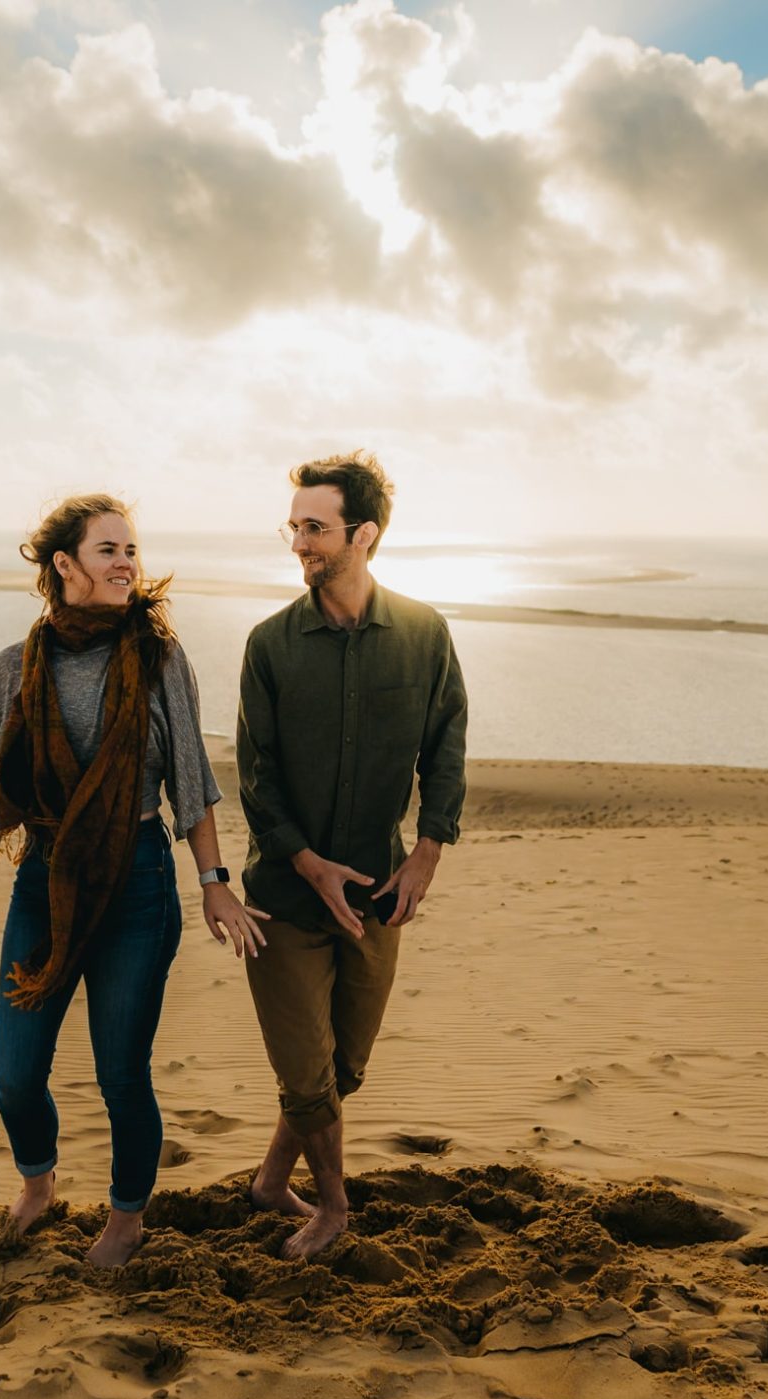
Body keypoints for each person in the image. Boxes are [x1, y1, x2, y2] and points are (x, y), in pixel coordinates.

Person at [0, 494, 268, 1268]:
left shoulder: (159, 661)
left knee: (121, 1069)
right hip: (45, 880)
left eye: (131, 548)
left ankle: (127, 1218)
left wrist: (214, 881)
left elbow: (190, 784)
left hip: (139, 883)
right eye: (108, 550)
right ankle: (39, 1183)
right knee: (15, 1072)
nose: (127, 562)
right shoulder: (12, 671)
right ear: (64, 565)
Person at [235, 450, 468, 1259]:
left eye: (314, 527)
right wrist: (307, 863)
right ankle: (331, 1209)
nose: (298, 542)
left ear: (362, 534)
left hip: (378, 895)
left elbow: (445, 749)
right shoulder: (269, 645)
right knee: (306, 1075)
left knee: (344, 1070)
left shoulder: (425, 635)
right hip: (284, 900)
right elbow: (255, 778)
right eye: (294, 526)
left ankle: (269, 1182)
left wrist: (427, 855)